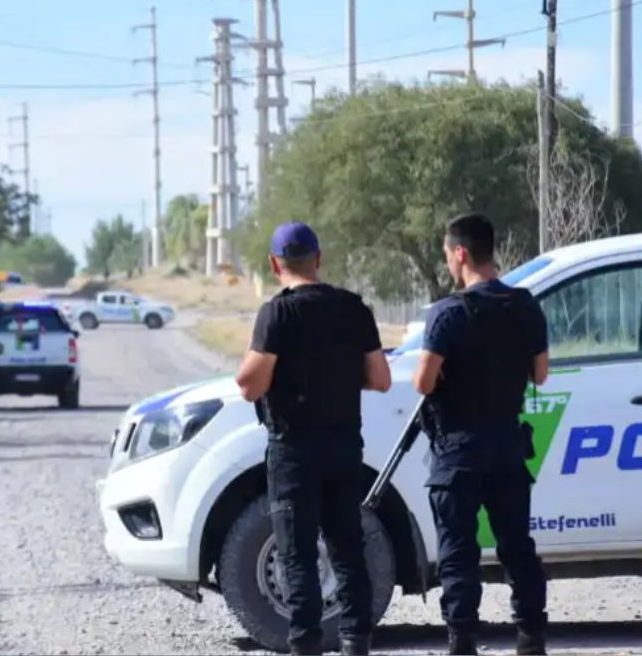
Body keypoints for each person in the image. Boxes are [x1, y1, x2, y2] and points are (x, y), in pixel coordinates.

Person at [234, 222, 393, 656]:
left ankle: (305, 646)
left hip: (293, 452)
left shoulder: (277, 313)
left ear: (273, 264)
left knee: (297, 555)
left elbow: (249, 384)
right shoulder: (354, 308)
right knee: (347, 550)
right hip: (344, 449)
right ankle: (356, 642)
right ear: (318, 259)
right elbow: (381, 378)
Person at [411, 214, 550, 656]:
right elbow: (540, 375)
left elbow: (422, 382)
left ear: (462, 253)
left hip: (457, 452)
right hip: (507, 447)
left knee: (458, 551)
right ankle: (530, 637)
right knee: (516, 546)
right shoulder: (525, 305)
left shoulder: (447, 314)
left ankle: (463, 641)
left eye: (448, 255)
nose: (448, 263)